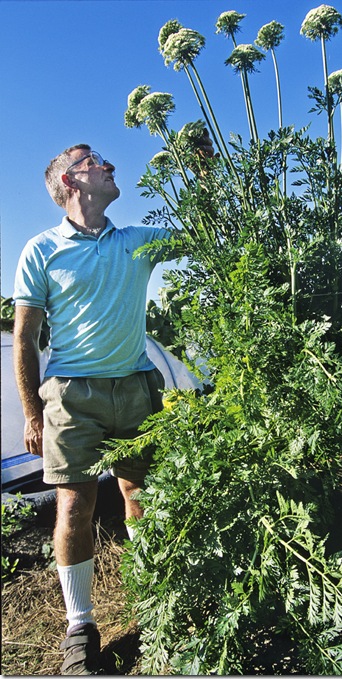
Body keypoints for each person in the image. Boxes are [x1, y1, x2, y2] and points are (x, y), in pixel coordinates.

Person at [13, 139, 212, 675]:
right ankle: (80, 625)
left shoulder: (136, 242)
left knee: (138, 492)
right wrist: (33, 412)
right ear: (72, 182)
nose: (108, 165)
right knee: (74, 506)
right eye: (94, 162)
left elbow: (204, 232)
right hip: (72, 396)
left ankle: (152, 599)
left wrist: (201, 170)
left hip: (135, 388)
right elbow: (25, 339)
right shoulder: (40, 250)